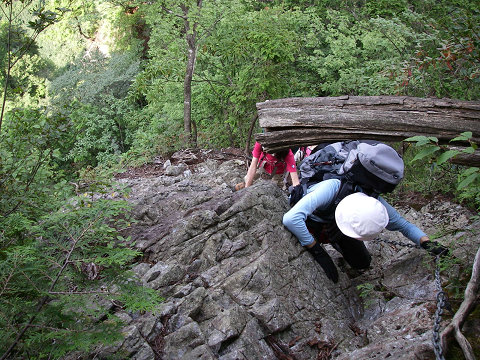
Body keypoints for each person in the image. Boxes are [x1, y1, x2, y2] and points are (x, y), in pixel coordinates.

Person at [282, 178, 448, 283]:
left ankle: (338, 241)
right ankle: (329, 239)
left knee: (362, 263)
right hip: (313, 221)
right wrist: (316, 250)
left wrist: (426, 243)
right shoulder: (331, 188)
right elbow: (291, 218)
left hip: (336, 228)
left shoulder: (375, 204)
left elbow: (404, 226)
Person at [235, 141, 300, 191]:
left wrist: (296, 193)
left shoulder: (288, 154)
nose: (272, 155)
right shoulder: (261, 143)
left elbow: (295, 181)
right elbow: (253, 165)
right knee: (248, 179)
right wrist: (247, 189)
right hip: (262, 167)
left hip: (277, 173)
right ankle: (244, 185)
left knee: (275, 190)